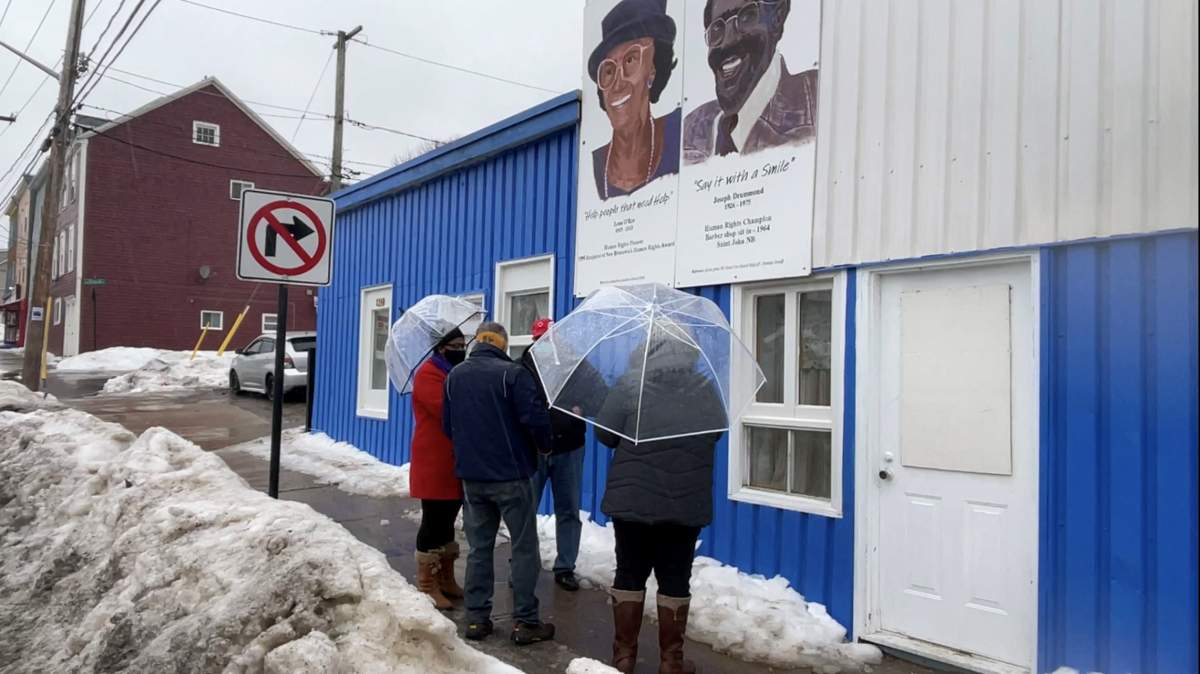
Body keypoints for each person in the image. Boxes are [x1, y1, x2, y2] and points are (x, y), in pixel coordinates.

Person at [594, 337, 727, 674]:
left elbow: (605, 436)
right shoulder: (705, 388)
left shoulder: (630, 385)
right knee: (675, 578)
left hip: (633, 500)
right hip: (684, 502)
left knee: (629, 572)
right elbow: (716, 433)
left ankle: (623, 656)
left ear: (647, 352)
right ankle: (672, 661)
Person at [442, 321, 556, 646]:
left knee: (479, 549)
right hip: (512, 476)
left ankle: (477, 619)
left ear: (477, 342)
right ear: (502, 344)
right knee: (522, 547)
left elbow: (448, 427)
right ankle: (526, 621)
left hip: (472, 478)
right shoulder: (513, 374)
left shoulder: (454, 377)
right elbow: (534, 420)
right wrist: (545, 446)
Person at [520, 318, 606, 592]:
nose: (545, 345)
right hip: (533, 449)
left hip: (569, 448)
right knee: (525, 511)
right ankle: (522, 565)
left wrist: (581, 406)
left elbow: (600, 395)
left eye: (549, 339)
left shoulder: (577, 366)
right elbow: (516, 403)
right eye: (540, 340)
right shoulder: (523, 367)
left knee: (568, 510)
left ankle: (565, 566)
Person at [683, 0, 818, 164]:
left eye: (746, 17)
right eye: (717, 30)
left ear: (777, 17)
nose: (727, 42)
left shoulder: (816, 98)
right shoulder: (693, 130)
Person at [587, 0, 682, 200]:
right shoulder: (595, 166)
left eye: (630, 60)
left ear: (653, 70)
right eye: (609, 70)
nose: (618, 83)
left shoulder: (681, 133)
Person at [409, 328, 467, 610]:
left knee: (448, 522)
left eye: (463, 343)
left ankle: (446, 578)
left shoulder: (453, 372)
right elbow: (447, 410)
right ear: (441, 348)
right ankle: (427, 585)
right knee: (433, 521)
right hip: (435, 460)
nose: (461, 348)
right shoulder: (428, 374)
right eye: (455, 345)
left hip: (454, 461)